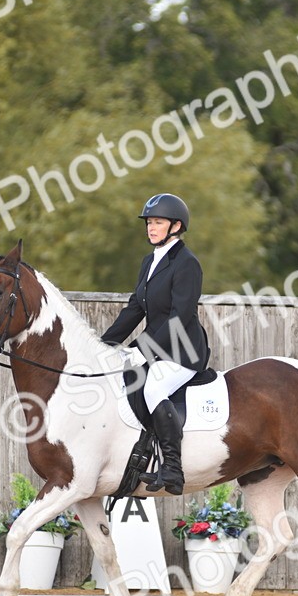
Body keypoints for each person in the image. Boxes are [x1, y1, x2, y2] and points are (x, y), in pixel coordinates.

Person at [101, 193, 211, 496]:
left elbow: (179, 317)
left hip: (183, 351)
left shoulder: (188, 264)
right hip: (157, 348)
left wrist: (141, 349)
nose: (151, 228)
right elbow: (135, 308)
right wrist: (104, 344)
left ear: (176, 226)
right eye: (149, 222)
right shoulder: (149, 261)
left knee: (153, 389)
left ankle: (173, 470)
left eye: (158, 222)